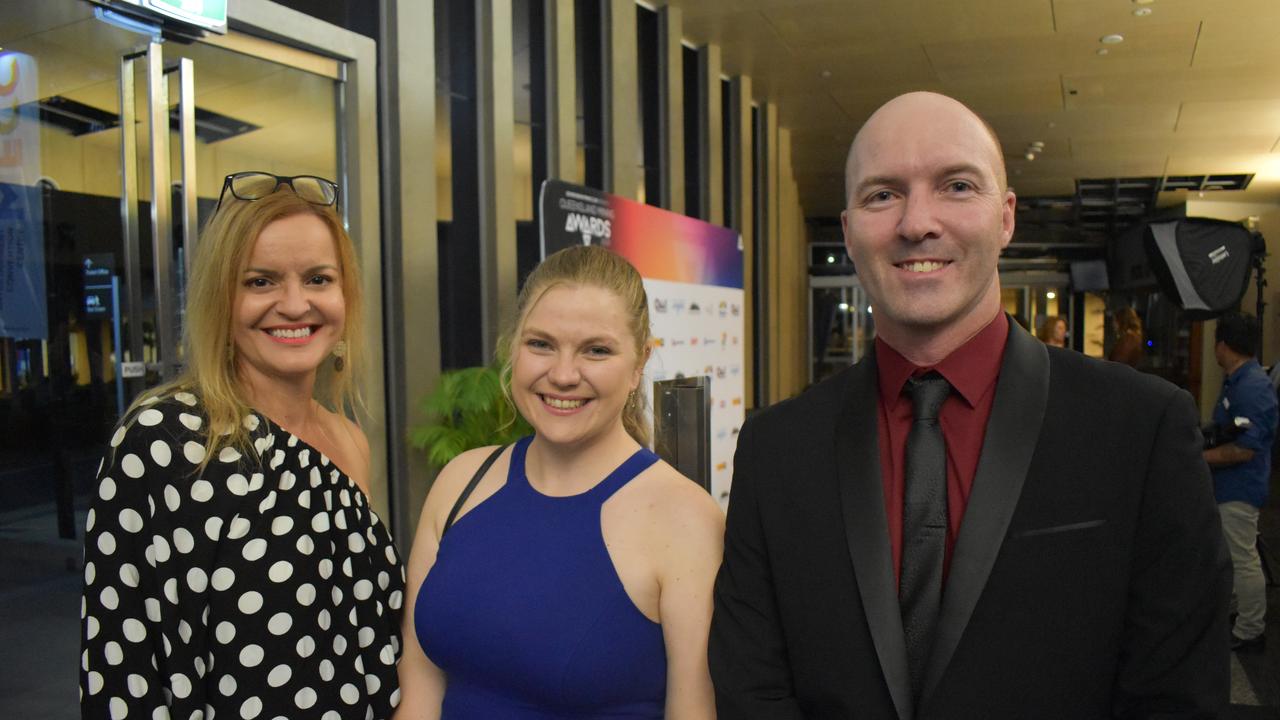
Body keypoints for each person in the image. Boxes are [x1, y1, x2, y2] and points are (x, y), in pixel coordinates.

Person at [709, 91, 1231, 718]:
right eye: (882, 194)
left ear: (1006, 217)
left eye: (956, 185)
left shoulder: (1140, 430)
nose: (916, 222)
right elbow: (755, 689)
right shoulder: (776, 448)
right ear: (848, 233)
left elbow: (1176, 697)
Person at [80, 172, 405, 718]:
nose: (295, 304)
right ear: (220, 299)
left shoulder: (349, 440)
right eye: (261, 282)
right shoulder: (165, 440)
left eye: (319, 279)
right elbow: (123, 663)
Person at [396, 245, 724, 719]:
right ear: (514, 347)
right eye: (541, 344)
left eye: (596, 350)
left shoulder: (686, 519)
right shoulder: (460, 481)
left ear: (638, 366)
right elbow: (420, 690)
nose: (563, 374)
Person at [1203, 312, 1277, 652]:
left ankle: (1251, 629)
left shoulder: (1251, 387)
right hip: (1228, 487)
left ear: (1223, 345)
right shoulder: (1238, 380)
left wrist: (1198, 457)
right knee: (1233, 555)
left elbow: (1245, 450)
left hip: (1240, 488)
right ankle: (1238, 613)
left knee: (1243, 558)